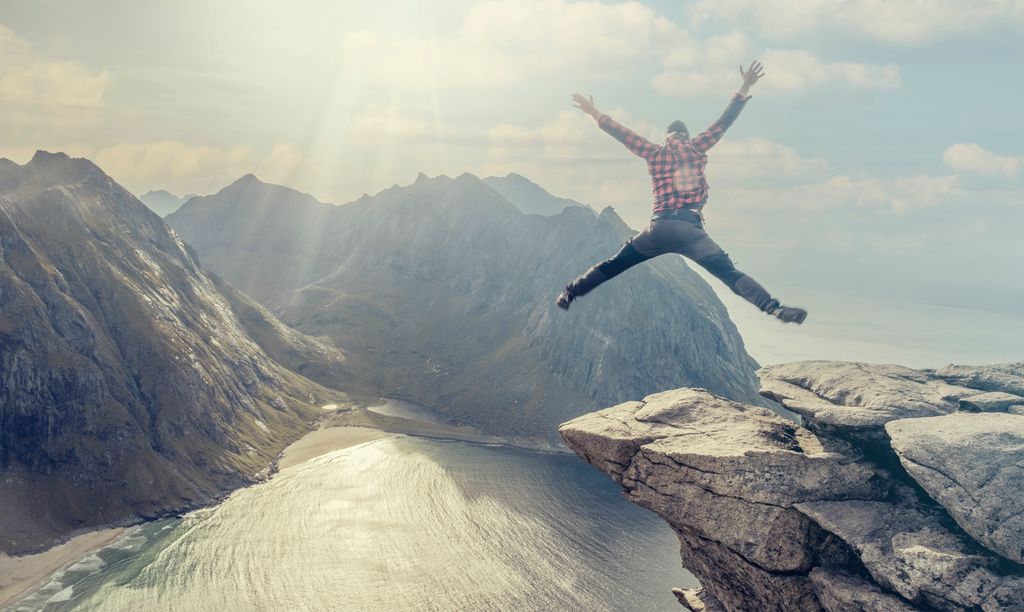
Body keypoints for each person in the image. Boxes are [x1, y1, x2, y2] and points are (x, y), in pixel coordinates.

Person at [556, 60, 807, 324]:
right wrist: (744, 85)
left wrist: (592, 110)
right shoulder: (696, 147)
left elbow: (620, 132)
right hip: (690, 230)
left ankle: (569, 293)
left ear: (667, 137)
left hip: (658, 229)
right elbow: (724, 122)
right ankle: (773, 308)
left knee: (614, 264)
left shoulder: (654, 152)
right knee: (728, 273)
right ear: (685, 136)